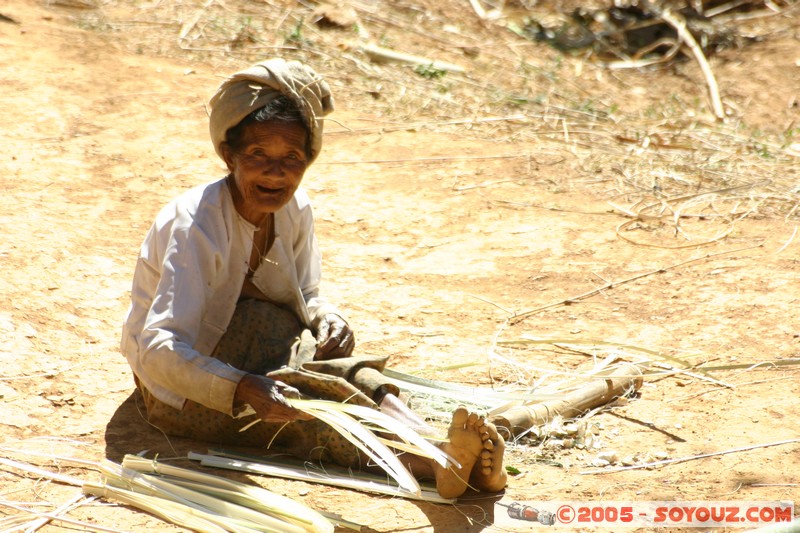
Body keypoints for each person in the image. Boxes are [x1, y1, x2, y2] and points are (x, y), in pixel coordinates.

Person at [120, 58, 506, 499]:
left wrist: (327, 316)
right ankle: (430, 462)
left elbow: (305, 292)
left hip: (257, 340)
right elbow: (159, 348)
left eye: (292, 159)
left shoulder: (294, 208)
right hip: (180, 388)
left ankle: (439, 447)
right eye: (258, 156)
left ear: (308, 160)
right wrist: (242, 386)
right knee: (303, 407)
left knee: (346, 374)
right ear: (230, 156)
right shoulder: (197, 225)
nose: (276, 173)